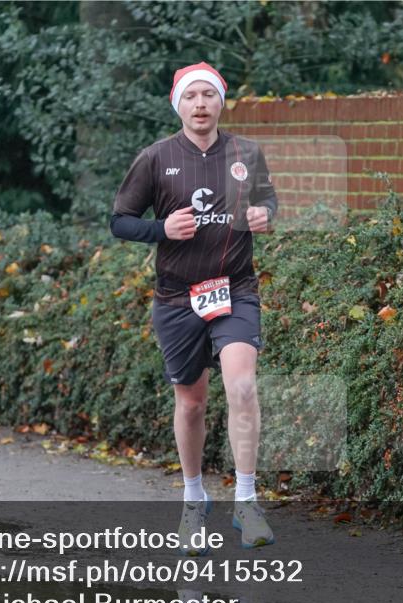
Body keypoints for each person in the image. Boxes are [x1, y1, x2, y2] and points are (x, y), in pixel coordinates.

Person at [110, 62, 278, 555]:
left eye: (209, 95)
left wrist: (265, 214)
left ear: (221, 102)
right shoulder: (156, 158)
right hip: (178, 297)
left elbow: (269, 200)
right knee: (192, 402)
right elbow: (120, 222)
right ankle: (193, 500)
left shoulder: (246, 152)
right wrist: (161, 229)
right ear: (178, 105)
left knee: (242, 385)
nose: (200, 103)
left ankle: (246, 501)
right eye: (191, 96)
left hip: (235, 289)